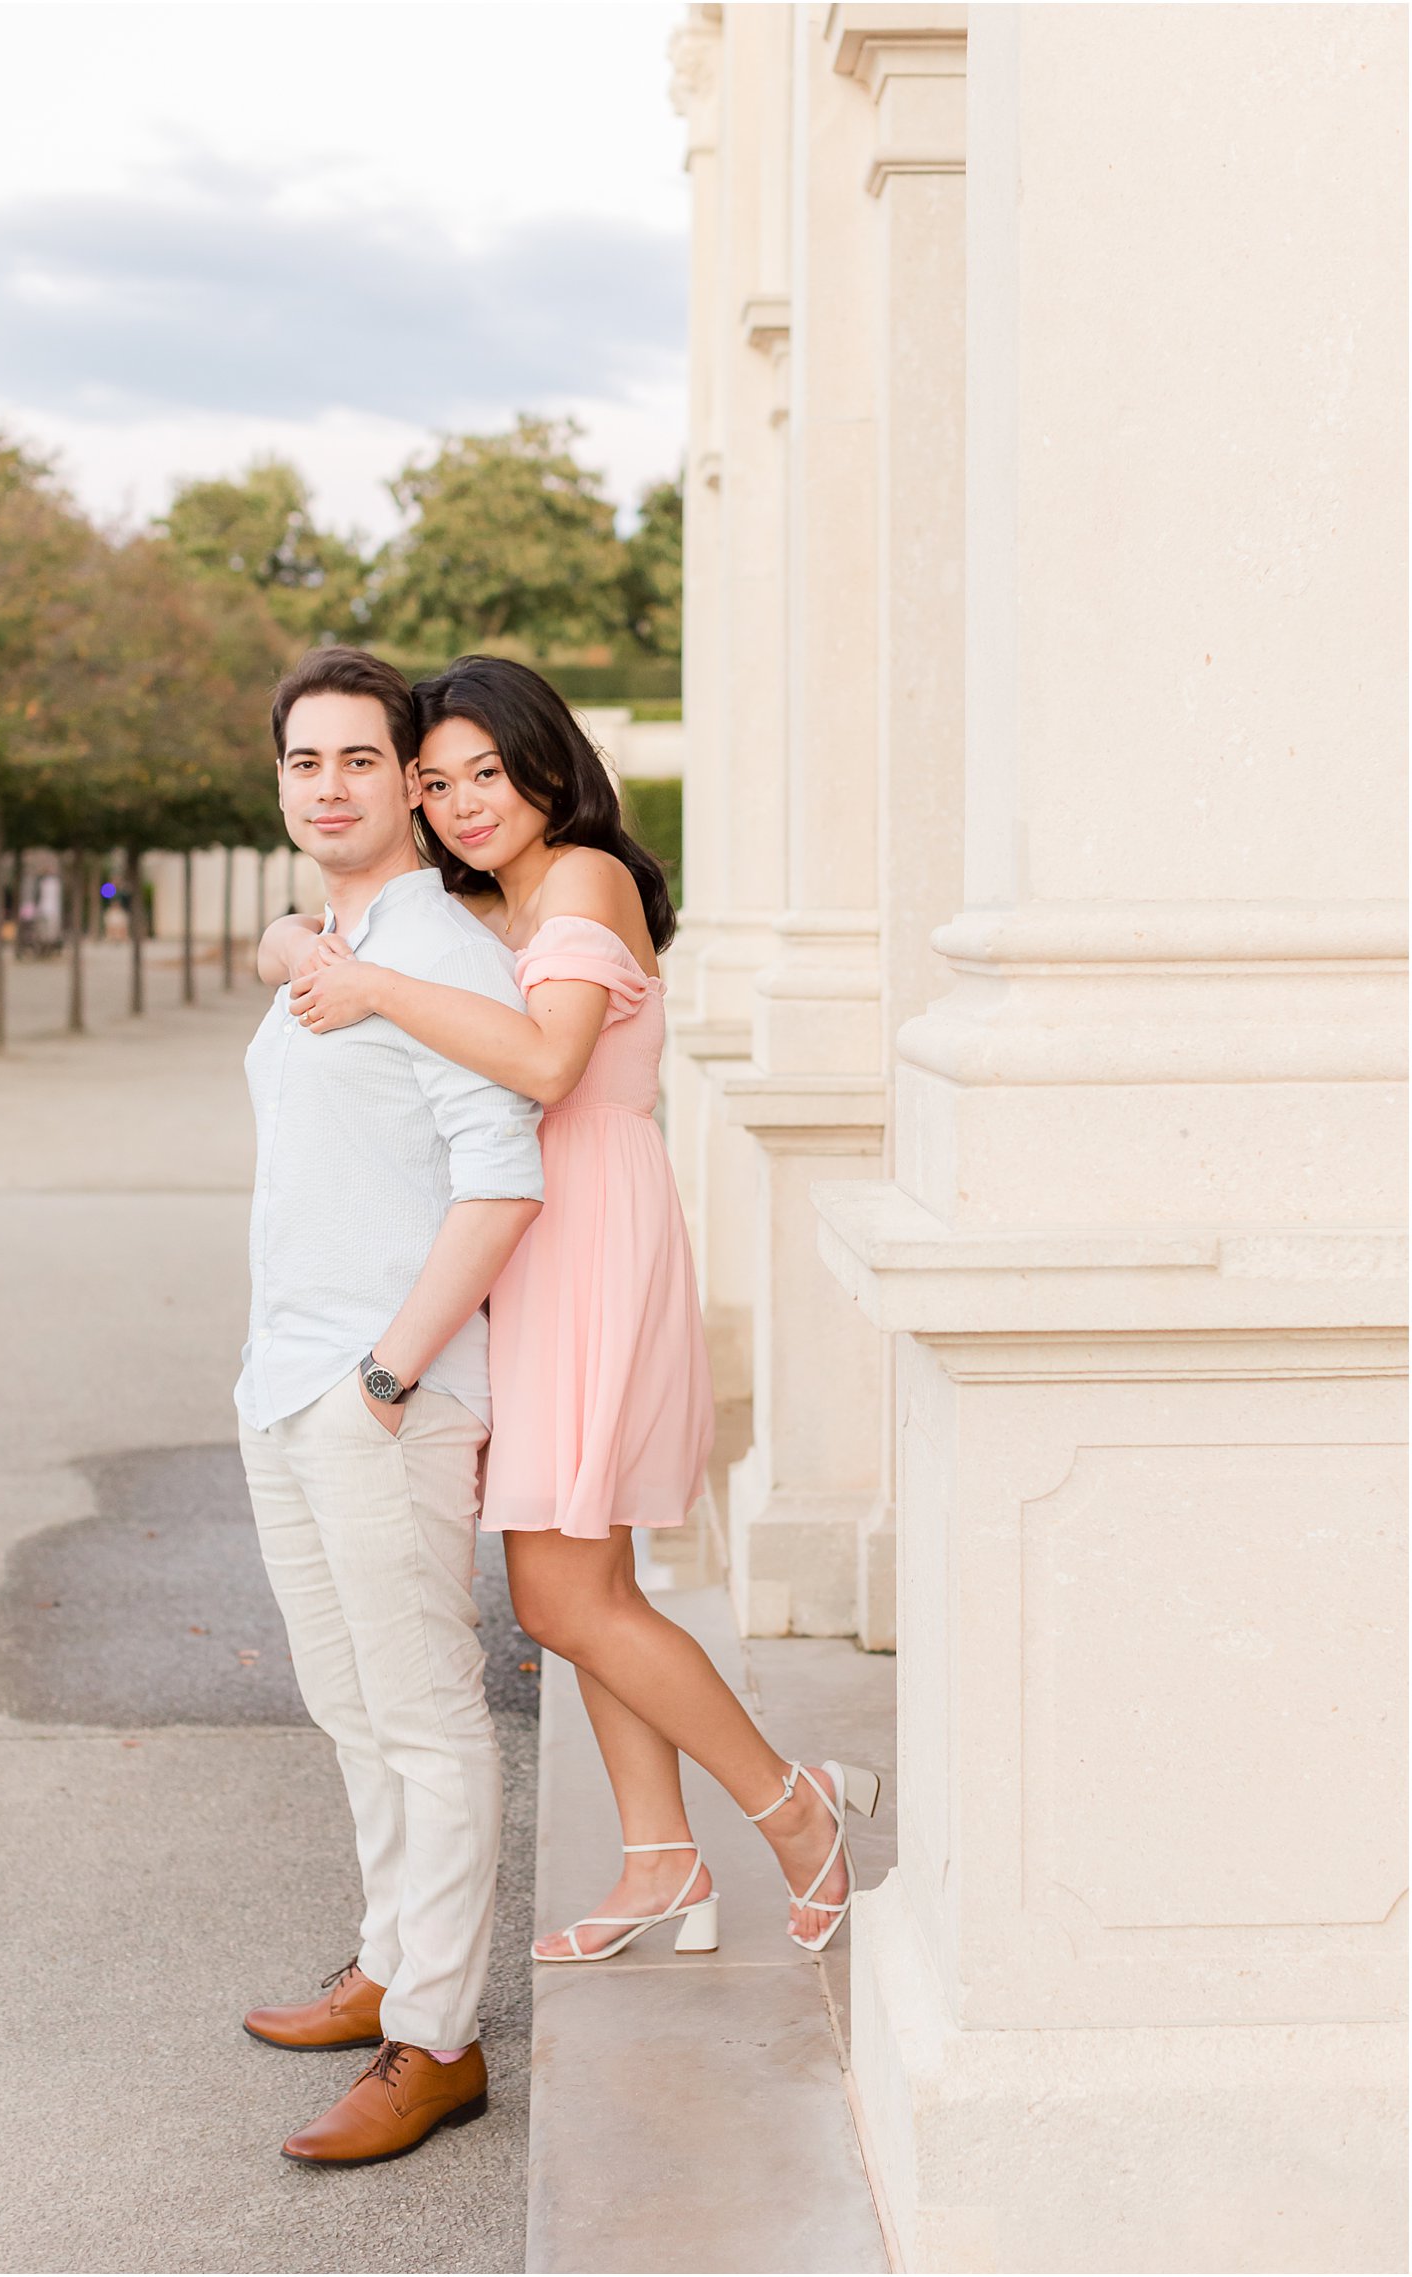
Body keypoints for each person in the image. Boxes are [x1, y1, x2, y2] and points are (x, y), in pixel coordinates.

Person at [267, 655, 878, 1968]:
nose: (465, 802)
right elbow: (347, 943)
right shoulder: (499, 904)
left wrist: (368, 987)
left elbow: (547, 1061)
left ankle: (793, 1807)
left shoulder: (588, 872)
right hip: (538, 1240)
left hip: (588, 1223)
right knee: (586, 1578)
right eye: (436, 783)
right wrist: (296, 945)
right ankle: (661, 1856)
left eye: (487, 771)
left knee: (560, 1593)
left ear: (549, 759)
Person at [236, 646, 544, 2167]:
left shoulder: (443, 956)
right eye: (306, 760)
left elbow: (503, 1179)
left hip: (382, 1393)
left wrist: (386, 1375)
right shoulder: (338, 940)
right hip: (283, 1384)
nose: (331, 784)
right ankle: (386, 1966)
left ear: (409, 781)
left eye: (362, 758)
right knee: (350, 1702)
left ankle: (440, 2037)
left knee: (424, 1714)